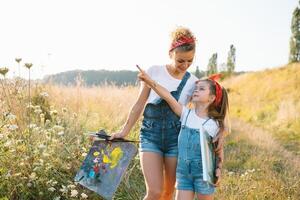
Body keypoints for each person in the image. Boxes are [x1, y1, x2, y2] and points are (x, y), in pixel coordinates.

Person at [110, 26, 224, 200]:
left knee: (168, 193)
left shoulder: (193, 82)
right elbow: (139, 105)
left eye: (190, 61)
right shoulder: (154, 72)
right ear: (171, 53)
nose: (185, 65)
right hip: (150, 136)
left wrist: (218, 129)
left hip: (175, 140)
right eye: (180, 61)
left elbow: (199, 111)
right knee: (154, 192)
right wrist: (124, 131)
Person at [138, 70, 229, 200]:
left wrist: (218, 170)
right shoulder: (186, 114)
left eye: (201, 89)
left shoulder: (213, 125)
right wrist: (150, 82)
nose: (196, 90)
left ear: (212, 98)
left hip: (204, 175)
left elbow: (218, 151)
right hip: (184, 174)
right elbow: (168, 97)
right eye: (196, 88)